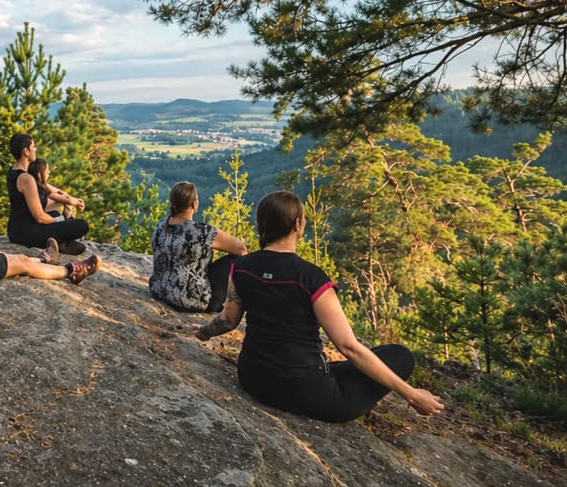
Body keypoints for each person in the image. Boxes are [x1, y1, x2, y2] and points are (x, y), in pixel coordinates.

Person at [194, 191, 444, 423]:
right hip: (305, 390)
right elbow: (348, 347)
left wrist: (203, 332)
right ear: (298, 225)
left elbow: (228, 320)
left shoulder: (242, 267)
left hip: (253, 378)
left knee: (357, 360)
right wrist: (411, 395)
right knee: (399, 355)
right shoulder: (311, 278)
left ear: (263, 224)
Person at [148, 181, 248, 313]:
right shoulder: (202, 231)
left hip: (159, 289)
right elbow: (241, 249)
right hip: (191, 300)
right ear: (195, 204)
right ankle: (226, 306)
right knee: (237, 260)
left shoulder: (161, 224)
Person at [6, 133, 89, 255]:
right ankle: (61, 242)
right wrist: (61, 221)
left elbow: (46, 188)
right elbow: (39, 217)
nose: (35, 149)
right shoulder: (26, 179)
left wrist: (70, 200)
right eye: (33, 146)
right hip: (27, 233)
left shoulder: (14, 172)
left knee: (55, 212)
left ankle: (59, 242)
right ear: (26, 151)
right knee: (82, 225)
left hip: (16, 230)